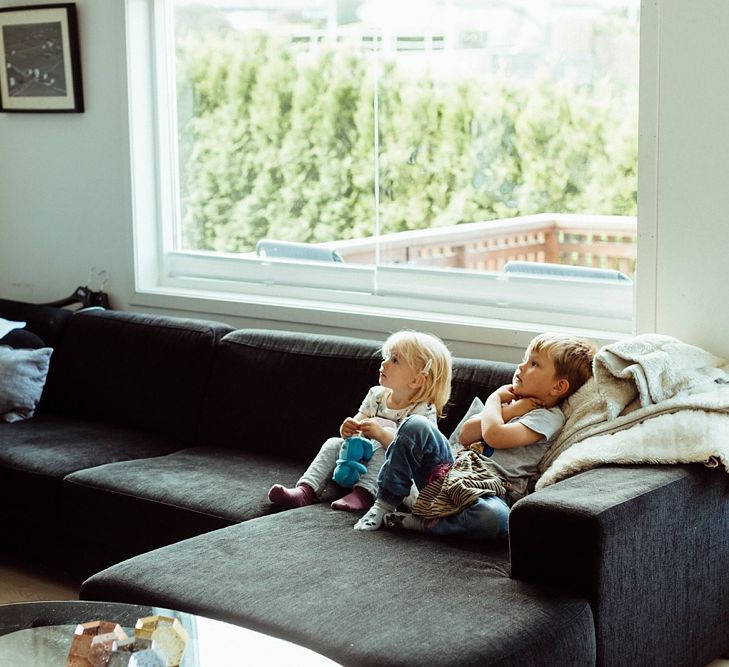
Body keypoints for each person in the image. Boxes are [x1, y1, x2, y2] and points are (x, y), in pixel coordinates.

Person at [353, 332, 596, 540]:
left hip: (487, 490)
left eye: (534, 364)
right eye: (524, 359)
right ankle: (384, 503)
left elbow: (495, 436)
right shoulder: (510, 403)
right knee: (415, 424)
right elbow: (467, 435)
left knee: (498, 519)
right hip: (449, 472)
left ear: (558, 388)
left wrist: (494, 400)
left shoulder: (548, 417)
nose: (521, 367)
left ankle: (424, 522)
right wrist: (508, 408)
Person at [267, 330, 453, 512]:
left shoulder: (423, 412)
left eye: (395, 360)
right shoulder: (376, 394)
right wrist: (347, 429)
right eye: (387, 357)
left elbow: (415, 453)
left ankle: (363, 495)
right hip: (356, 463)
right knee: (333, 444)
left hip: (395, 477)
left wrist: (381, 435)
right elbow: (357, 424)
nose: (385, 363)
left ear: (416, 380)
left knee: (385, 451)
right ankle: (305, 491)